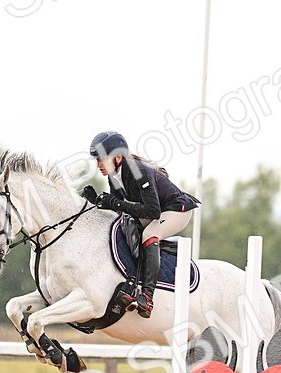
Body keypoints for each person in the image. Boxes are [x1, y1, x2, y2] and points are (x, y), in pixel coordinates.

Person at [84, 130, 198, 318]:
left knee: (149, 235)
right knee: (124, 225)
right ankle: (131, 280)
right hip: (158, 211)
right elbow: (120, 210)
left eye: (102, 160)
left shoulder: (139, 172)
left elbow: (152, 211)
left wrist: (115, 203)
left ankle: (147, 297)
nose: (99, 166)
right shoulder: (114, 175)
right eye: (97, 160)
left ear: (118, 157)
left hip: (177, 210)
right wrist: (97, 202)